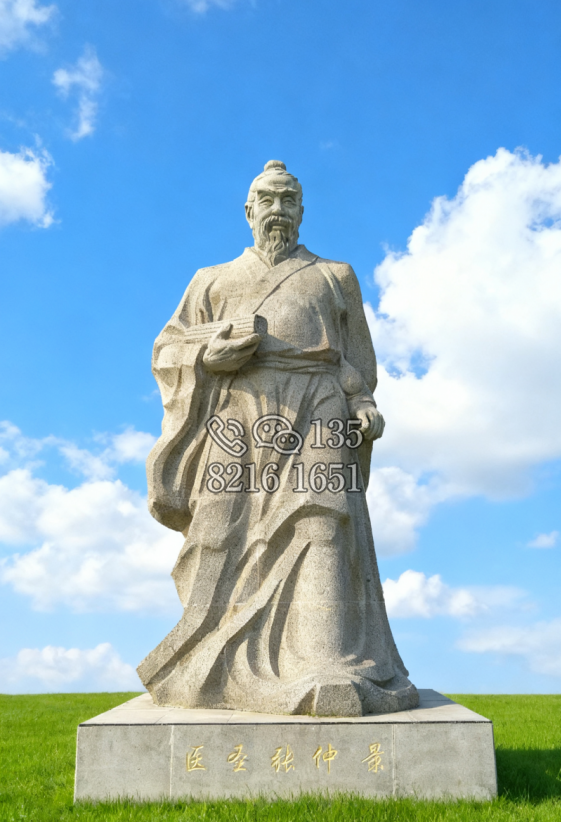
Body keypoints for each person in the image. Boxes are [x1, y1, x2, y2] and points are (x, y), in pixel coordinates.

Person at [138, 161, 418, 716]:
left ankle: (328, 660)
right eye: (267, 199)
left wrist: (362, 402)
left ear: (302, 211)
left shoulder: (334, 275)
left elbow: (355, 358)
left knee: (323, 521)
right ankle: (208, 659)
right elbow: (167, 349)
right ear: (248, 211)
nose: (278, 209)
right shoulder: (211, 279)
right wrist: (208, 356)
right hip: (238, 410)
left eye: (288, 199)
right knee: (220, 525)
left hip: (319, 405)